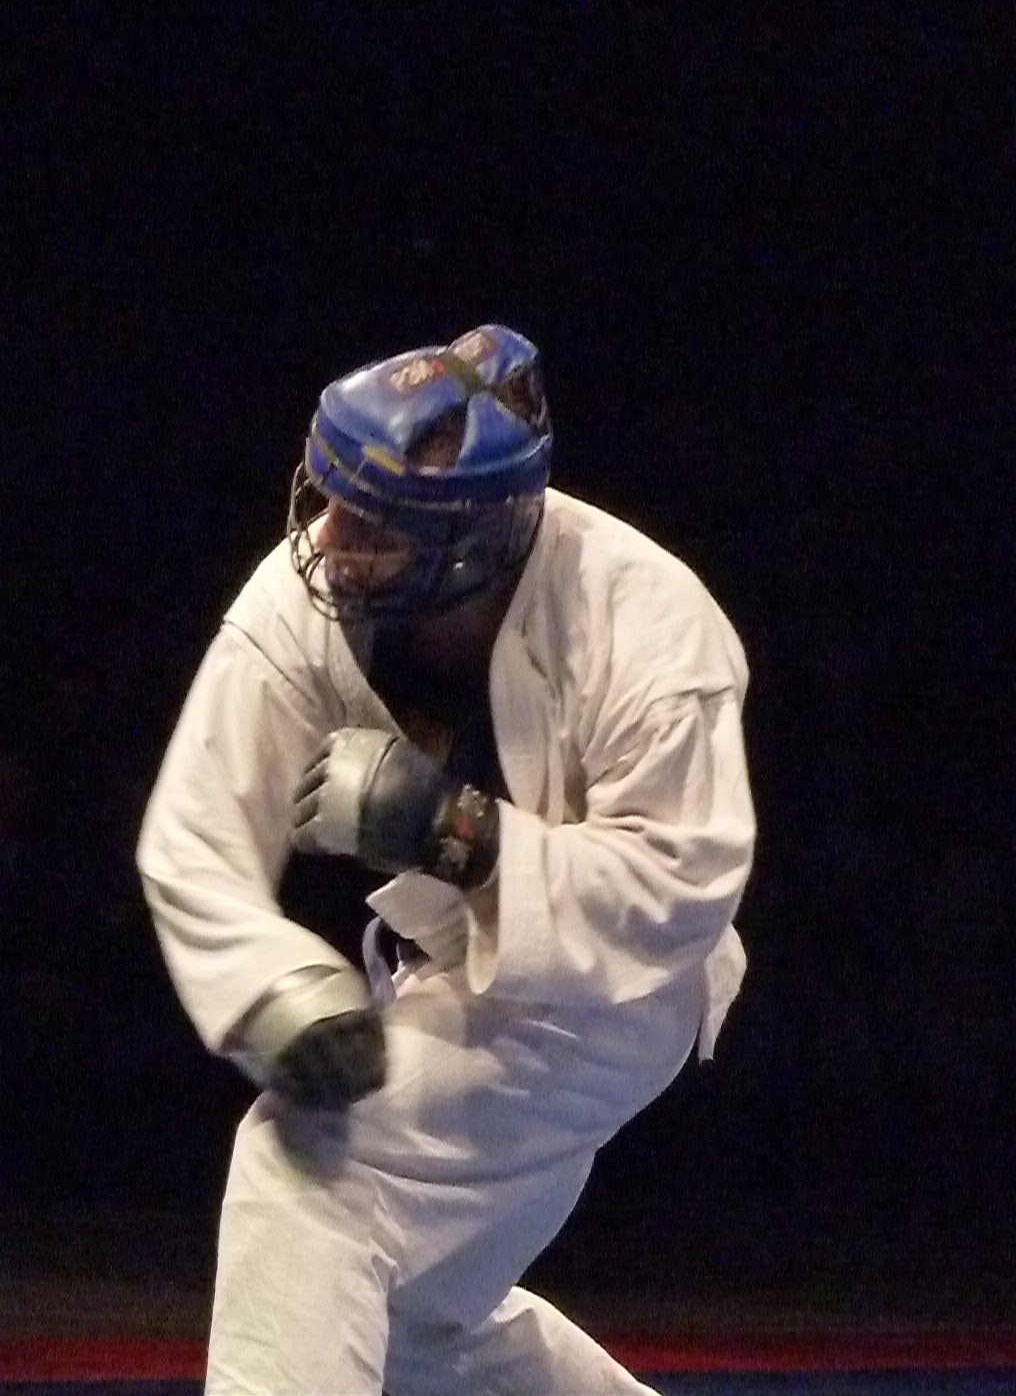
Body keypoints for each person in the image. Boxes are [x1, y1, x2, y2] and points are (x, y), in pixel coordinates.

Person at [137, 326, 753, 1394]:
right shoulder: (302, 595)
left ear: (474, 536)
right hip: (442, 967)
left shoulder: (647, 619)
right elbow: (195, 832)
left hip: (615, 994)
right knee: (414, 1324)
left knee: (307, 1166)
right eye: (330, 499)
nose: (332, 539)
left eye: (373, 523)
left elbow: (679, 889)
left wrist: (457, 832)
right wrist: (266, 983)